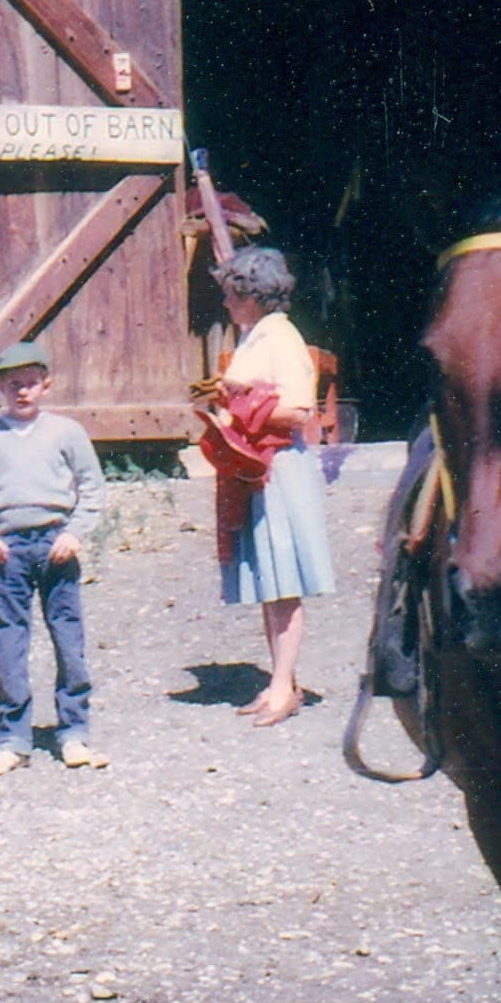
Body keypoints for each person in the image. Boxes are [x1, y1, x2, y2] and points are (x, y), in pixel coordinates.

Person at [0, 340, 106, 775]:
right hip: (9, 552)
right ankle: (12, 739)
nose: (22, 392)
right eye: (13, 384)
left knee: (68, 638)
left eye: (31, 383)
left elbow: (92, 486)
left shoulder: (66, 433)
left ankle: (73, 733)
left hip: (56, 545)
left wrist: (75, 533)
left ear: (46, 385)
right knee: (10, 642)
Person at [198, 246, 332, 726]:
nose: (226, 303)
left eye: (232, 295)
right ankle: (282, 682)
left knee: (284, 581)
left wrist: (239, 407)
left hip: (279, 467)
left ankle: (282, 688)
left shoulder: (282, 338)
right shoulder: (255, 336)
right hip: (254, 466)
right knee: (269, 579)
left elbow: (298, 411)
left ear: (253, 295)